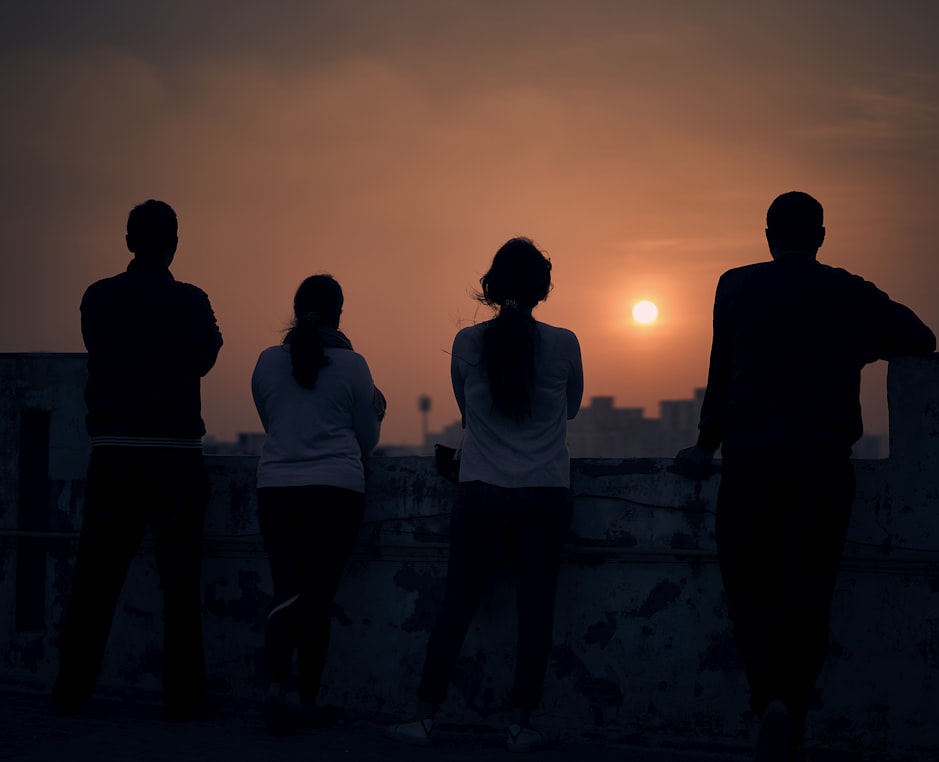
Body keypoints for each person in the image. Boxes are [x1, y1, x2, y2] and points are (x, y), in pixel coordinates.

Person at [675, 191, 936, 761]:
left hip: (748, 465)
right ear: (821, 236)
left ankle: (767, 699)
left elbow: (720, 371)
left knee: (748, 593)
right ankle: (788, 715)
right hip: (821, 466)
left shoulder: (736, 287)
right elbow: (921, 337)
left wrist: (703, 445)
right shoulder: (849, 292)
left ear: (767, 236)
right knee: (808, 598)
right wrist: (848, 346)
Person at [387, 237, 584, 753]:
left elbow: (469, 415)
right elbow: (571, 410)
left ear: (491, 287)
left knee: (457, 606)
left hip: (481, 492)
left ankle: (426, 718)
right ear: (543, 289)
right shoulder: (565, 343)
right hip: (545, 492)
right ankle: (520, 726)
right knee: (535, 611)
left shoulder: (468, 343)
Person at [52, 199, 223, 721]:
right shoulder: (192, 301)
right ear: (175, 244)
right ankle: (184, 701)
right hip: (175, 457)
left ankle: (71, 692)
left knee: (95, 581)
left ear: (128, 242)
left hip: (113, 455)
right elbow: (206, 358)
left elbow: (97, 350)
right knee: (181, 582)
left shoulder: (97, 298)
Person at [251, 274, 384, 734]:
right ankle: (307, 701)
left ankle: (273, 688)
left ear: (295, 309)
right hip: (336, 490)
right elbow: (366, 441)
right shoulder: (353, 366)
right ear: (339, 313)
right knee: (317, 596)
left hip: (277, 489)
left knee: (286, 590)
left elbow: (274, 422)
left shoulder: (267, 362)